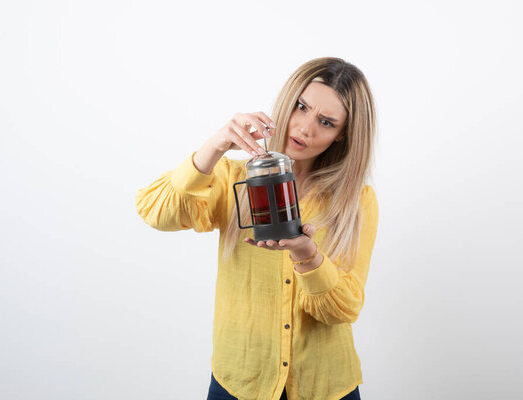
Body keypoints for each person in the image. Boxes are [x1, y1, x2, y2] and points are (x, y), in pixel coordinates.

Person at [135, 57, 379, 400]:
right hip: (240, 382)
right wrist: (216, 145)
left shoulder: (356, 200)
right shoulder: (233, 176)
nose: (304, 128)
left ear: (343, 136)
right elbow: (155, 211)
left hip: (323, 387)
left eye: (325, 122)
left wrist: (307, 255)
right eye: (300, 107)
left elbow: (344, 308)